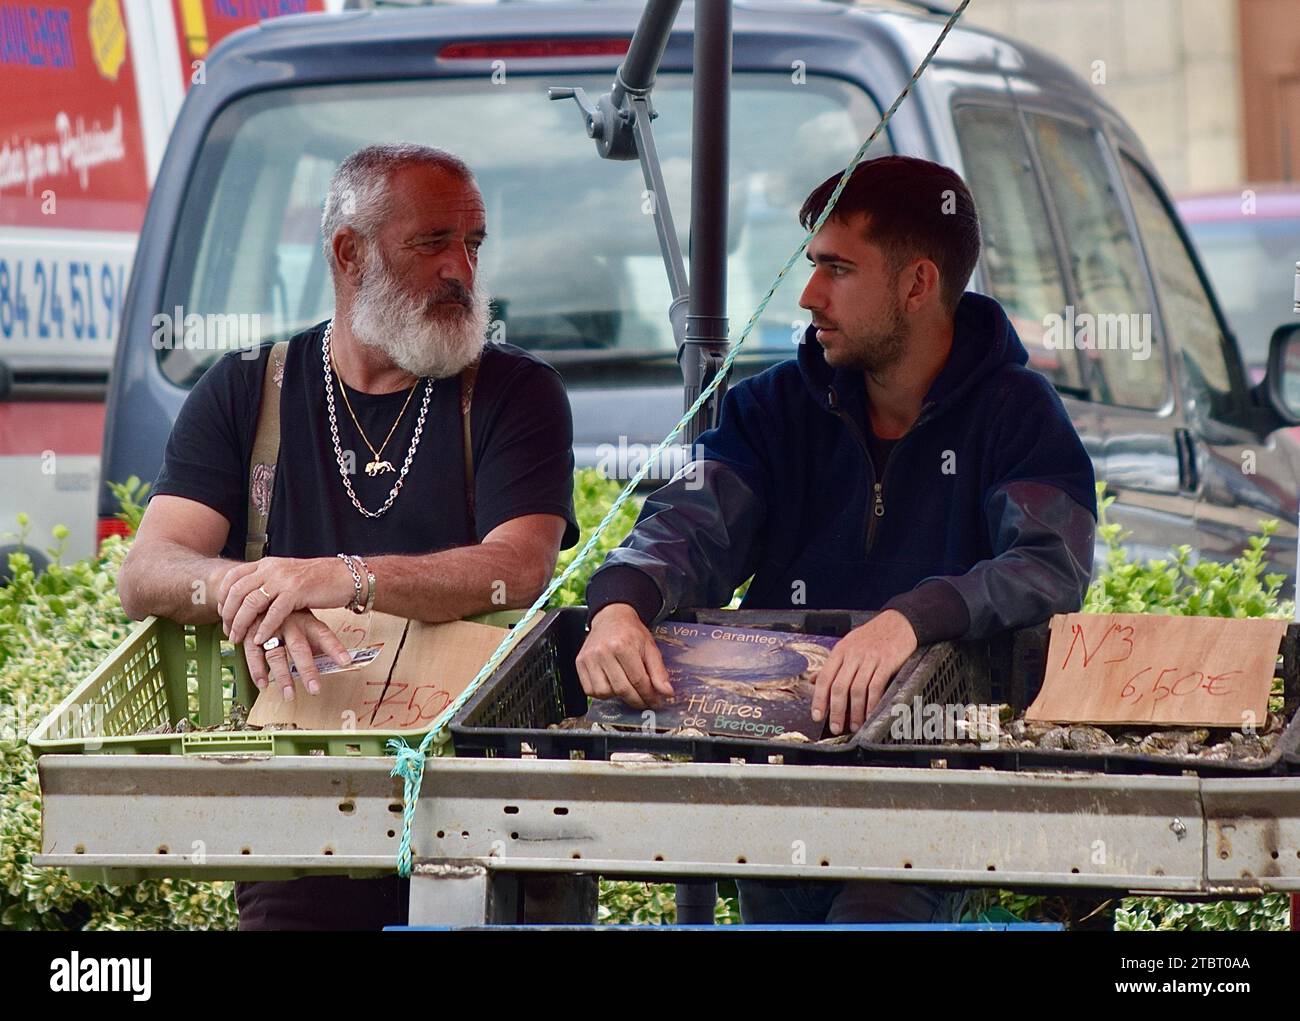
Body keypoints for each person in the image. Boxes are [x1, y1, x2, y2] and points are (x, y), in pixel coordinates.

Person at [576, 154, 1097, 925]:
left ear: (918, 284)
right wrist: (620, 603)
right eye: (812, 265)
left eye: (837, 269)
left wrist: (912, 617)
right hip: (777, 770)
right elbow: (693, 525)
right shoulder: (774, 407)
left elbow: (1049, 564)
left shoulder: (1018, 411)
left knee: (875, 908)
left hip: (933, 779)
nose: (809, 295)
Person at [117, 143, 581, 930]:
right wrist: (255, 589)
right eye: (432, 242)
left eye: (473, 243)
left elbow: (519, 566)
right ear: (347, 251)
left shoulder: (515, 391)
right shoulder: (244, 389)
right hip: (307, 805)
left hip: (485, 806)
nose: (460, 270)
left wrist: (343, 576)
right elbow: (146, 571)